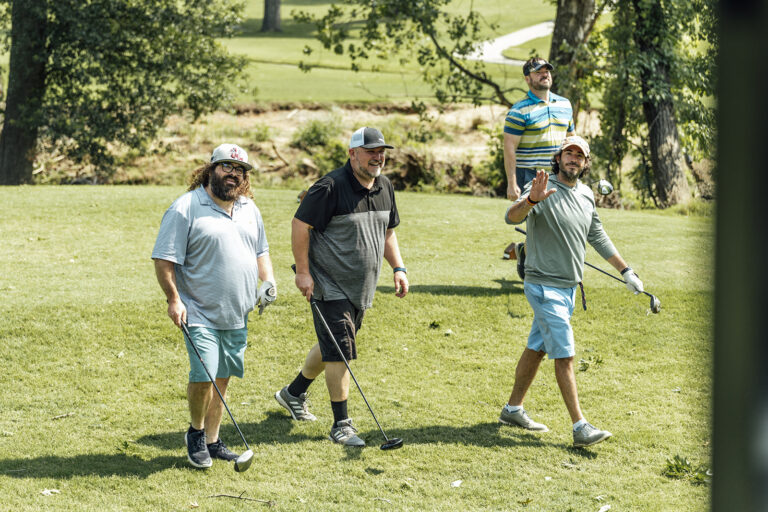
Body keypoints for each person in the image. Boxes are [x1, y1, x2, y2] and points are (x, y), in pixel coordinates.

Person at [499, 136, 643, 448]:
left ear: (586, 163)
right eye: (568, 153)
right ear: (558, 157)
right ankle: (580, 427)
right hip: (543, 284)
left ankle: (512, 409)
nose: (573, 159)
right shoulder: (542, 185)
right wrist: (532, 200)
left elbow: (597, 235)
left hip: (568, 288)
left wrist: (626, 271)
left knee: (537, 348)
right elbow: (512, 216)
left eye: (579, 155)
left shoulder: (586, 194)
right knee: (564, 354)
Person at [274, 127, 409, 447]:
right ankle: (341, 425)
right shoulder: (330, 187)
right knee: (340, 350)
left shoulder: (385, 186)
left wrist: (399, 267)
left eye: (381, 152)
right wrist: (303, 273)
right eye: (371, 151)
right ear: (352, 153)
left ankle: (292, 393)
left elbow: (387, 232)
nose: (378, 157)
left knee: (333, 346)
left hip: (361, 287)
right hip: (328, 283)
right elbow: (300, 225)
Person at [151, 143, 276, 468]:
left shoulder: (249, 208)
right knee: (204, 374)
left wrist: (267, 281)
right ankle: (195, 432)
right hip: (198, 310)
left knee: (222, 377)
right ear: (211, 170)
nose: (233, 174)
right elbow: (164, 259)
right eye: (226, 167)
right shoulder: (186, 207)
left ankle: (213, 440)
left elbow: (261, 250)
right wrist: (174, 299)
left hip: (237, 312)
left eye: (239, 170)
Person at [502, 57, 576, 278]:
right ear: (528, 79)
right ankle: (528, 257)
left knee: (556, 222)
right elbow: (509, 148)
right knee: (536, 222)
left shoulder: (565, 105)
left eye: (547, 71)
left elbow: (571, 139)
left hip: (558, 174)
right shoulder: (519, 111)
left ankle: (524, 251)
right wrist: (512, 183)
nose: (545, 75)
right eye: (538, 72)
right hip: (530, 175)